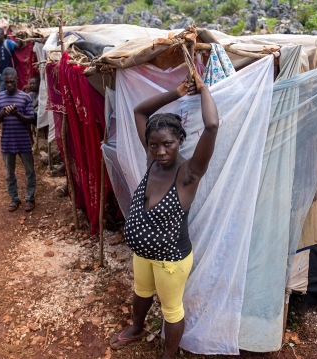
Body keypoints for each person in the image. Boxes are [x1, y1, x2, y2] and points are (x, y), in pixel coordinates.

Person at [110, 71, 219, 359]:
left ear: (180, 140)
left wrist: (203, 87)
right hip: (143, 254)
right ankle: (136, 328)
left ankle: (168, 356)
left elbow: (211, 126)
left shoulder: (188, 174)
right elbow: (140, 110)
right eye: (153, 145)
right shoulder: (152, 162)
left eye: (167, 144)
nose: (160, 151)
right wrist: (177, 92)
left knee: (171, 309)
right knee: (141, 292)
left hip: (171, 258)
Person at [0, 67, 36, 212]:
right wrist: (3, 113)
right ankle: (14, 199)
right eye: (6, 82)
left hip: (23, 141)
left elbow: (30, 119)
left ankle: (30, 199)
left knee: (29, 171)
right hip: (7, 142)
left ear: (17, 80)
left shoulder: (25, 97)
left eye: (12, 82)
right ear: (3, 82)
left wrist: (17, 114)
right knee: (9, 173)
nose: (9, 85)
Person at [0, 27, 23, 92]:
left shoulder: (8, 43)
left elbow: (18, 46)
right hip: (1, 73)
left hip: (8, 74)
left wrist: (20, 38)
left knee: (1, 92)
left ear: (3, 35)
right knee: (6, 92)